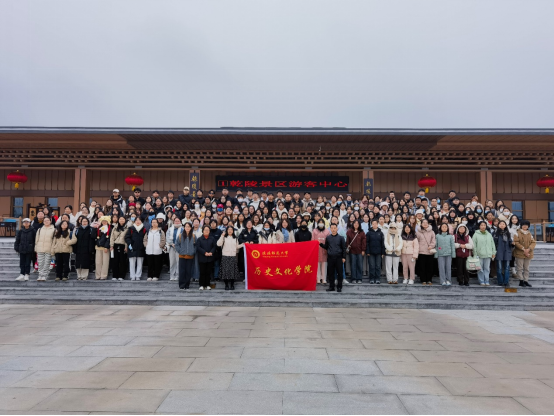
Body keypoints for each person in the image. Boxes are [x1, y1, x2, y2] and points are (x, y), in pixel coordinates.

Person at [320, 223, 347, 293]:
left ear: (337, 229)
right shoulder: (328, 238)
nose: (333, 229)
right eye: (332, 228)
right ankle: (331, 287)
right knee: (331, 273)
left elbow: (344, 248)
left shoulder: (341, 238)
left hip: (339, 257)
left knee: (340, 273)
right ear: (330, 229)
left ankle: (339, 287)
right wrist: (320, 244)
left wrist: (344, 257)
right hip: (330, 258)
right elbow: (326, 247)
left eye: (334, 228)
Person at [217, 226, 243, 291]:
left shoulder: (235, 238)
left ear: (233, 231)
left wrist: (243, 244)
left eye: (231, 229)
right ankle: (226, 285)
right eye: (229, 229)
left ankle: (232, 285)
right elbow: (218, 244)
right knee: (225, 272)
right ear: (226, 230)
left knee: (232, 272)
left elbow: (237, 246)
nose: (230, 231)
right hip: (225, 256)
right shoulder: (224, 237)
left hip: (233, 256)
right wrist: (222, 236)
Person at [472, 221, 496, 287]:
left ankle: (487, 280)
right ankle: (481, 281)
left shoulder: (489, 234)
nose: (483, 226)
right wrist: (475, 254)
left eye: (484, 225)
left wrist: (493, 252)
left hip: (488, 254)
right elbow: (474, 245)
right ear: (479, 226)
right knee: (480, 268)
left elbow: (492, 244)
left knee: (487, 268)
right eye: (481, 225)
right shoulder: (476, 234)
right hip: (479, 255)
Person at [513, 220, 536, 288]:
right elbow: (516, 242)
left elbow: (533, 242)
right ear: (521, 225)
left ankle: (526, 280)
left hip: (528, 253)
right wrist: (523, 249)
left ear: (528, 226)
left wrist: (529, 249)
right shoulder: (517, 232)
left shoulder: (529, 233)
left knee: (526, 268)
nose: (525, 226)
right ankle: (521, 280)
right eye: (523, 225)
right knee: (519, 268)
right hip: (519, 253)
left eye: (526, 225)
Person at [175, 222, 197, 290]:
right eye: (186, 226)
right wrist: (180, 251)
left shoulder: (193, 236)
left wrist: (193, 251)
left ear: (191, 228)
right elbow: (176, 244)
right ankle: (182, 285)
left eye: (189, 227)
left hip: (190, 256)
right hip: (182, 256)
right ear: (184, 228)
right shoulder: (180, 235)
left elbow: (196, 245)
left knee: (188, 271)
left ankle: (187, 284)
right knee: (182, 271)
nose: (187, 228)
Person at [416, 219, 436, 286]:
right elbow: (416, 242)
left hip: (429, 251)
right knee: (422, 267)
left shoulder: (432, 232)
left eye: (426, 222)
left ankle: (429, 279)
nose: (425, 224)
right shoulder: (418, 232)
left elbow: (434, 241)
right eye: (423, 222)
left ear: (428, 224)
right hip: (421, 252)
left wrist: (431, 246)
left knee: (430, 267)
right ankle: (423, 280)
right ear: (421, 224)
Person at [35, 217, 55, 282]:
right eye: (45, 221)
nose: (46, 221)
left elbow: (54, 241)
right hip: (40, 248)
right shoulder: (40, 229)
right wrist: (36, 248)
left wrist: (53, 249)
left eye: (47, 220)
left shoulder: (54, 230)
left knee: (47, 263)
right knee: (40, 263)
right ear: (43, 222)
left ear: (50, 221)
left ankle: (44, 275)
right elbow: (36, 239)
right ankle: (40, 275)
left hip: (49, 249)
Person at [346, 220, 366, 284]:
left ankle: (359, 279)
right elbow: (347, 241)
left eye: (357, 223)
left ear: (359, 224)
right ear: (353, 224)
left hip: (360, 251)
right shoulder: (349, 232)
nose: (356, 224)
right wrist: (348, 246)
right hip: (352, 251)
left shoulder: (362, 232)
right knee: (353, 265)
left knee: (359, 265)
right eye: (355, 223)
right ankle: (353, 279)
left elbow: (364, 242)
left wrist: (363, 250)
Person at [197, 225, 217, 290]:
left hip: (210, 258)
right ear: (203, 231)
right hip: (202, 258)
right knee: (202, 272)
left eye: (208, 230)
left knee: (208, 272)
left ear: (209, 231)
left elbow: (214, 246)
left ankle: (207, 284)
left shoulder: (212, 238)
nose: (206, 231)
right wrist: (204, 252)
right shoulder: (199, 239)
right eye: (205, 230)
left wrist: (211, 252)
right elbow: (198, 247)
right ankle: (201, 285)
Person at [494, 220, 513, 288]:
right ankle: (500, 281)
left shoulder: (508, 233)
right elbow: (494, 242)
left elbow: (510, 242)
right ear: (498, 225)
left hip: (507, 252)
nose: (502, 225)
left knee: (507, 268)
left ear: (505, 225)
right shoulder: (496, 233)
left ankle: (506, 282)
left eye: (503, 224)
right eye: (500, 224)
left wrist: (512, 243)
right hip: (499, 252)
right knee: (499, 268)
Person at [366, 219, 386, 285]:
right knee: (372, 266)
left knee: (378, 266)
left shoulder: (380, 233)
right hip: (371, 252)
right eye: (373, 224)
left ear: (377, 224)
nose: (374, 225)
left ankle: (377, 279)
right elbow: (367, 243)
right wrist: (367, 251)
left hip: (379, 252)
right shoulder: (368, 233)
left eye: (375, 224)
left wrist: (383, 252)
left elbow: (382, 243)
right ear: (371, 224)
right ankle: (372, 279)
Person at [110, 216, 129, 281]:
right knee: (115, 261)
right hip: (115, 245)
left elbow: (127, 238)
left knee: (122, 261)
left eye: (123, 219)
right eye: (120, 219)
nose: (121, 220)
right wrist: (111, 245)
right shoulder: (115, 227)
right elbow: (112, 237)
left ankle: (121, 276)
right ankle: (115, 275)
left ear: (125, 220)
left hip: (123, 245)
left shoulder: (127, 228)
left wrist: (126, 246)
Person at [312, 219, 330, 285]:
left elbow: (328, 241)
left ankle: (324, 279)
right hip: (317, 250)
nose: (321, 224)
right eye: (320, 222)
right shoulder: (314, 231)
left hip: (324, 250)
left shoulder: (327, 231)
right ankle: (318, 279)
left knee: (324, 265)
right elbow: (312, 240)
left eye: (322, 222)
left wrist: (327, 248)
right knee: (317, 265)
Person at [94, 216, 112, 280]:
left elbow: (109, 238)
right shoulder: (99, 228)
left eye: (105, 221)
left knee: (105, 262)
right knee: (98, 262)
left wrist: (106, 246)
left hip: (105, 247)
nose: (104, 222)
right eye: (103, 221)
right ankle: (98, 275)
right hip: (98, 247)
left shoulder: (110, 229)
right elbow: (94, 236)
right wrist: (94, 228)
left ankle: (104, 275)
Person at [166, 217, 183, 281]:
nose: (177, 222)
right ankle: (172, 275)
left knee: (179, 262)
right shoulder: (170, 229)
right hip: (171, 247)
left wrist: (178, 245)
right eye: (176, 221)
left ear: (180, 222)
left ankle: (177, 275)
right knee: (172, 262)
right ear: (173, 222)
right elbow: (167, 237)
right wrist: (171, 243)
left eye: (178, 221)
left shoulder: (182, 229)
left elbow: (183, 238)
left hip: (179, 248)